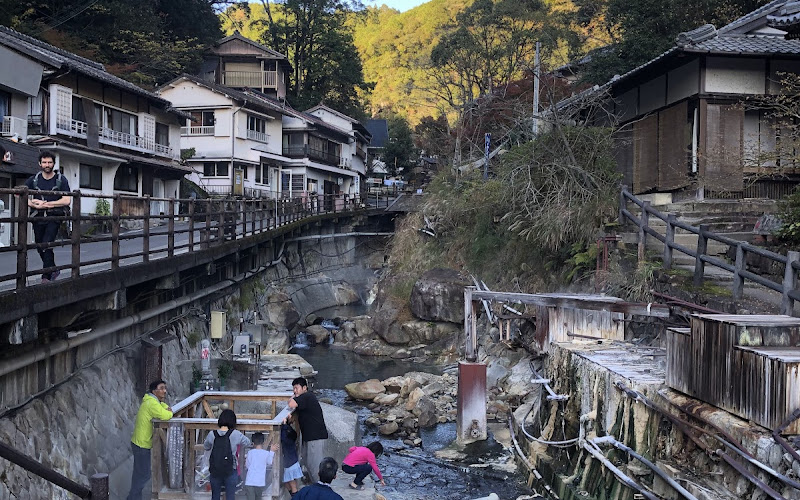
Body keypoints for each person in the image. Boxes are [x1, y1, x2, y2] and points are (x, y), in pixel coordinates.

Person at [25, 151, 71, 283]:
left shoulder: (61, 180)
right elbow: (19, 194)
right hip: (37, 216)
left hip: (54, 217)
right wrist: (32, 203)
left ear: (53, 164)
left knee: (47, 243)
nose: (47, 165)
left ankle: (46, 276)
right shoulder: (34, 179)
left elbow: (67, 200)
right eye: (44, 162)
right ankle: (53, 269)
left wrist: (47, 204)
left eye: (49, 162)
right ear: (40, 163)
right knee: (40, 245)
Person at [127, 380, 173, 500]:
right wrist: (170, 412)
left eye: (165, 388)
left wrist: (166, 408)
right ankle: (133, 498)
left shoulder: (151, 401)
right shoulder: (151, 404)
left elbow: (163, 407)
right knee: (144, 475)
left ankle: (133, 497)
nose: (164, 391)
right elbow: (165, 415)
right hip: (142, 444)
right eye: (162, 388)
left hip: (139, 442)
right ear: (154, 391)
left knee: (139, 474)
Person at [204, 409, 252, 500]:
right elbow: (248, 442)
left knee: (215, 496)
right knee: (230, 496)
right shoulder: (236, 434)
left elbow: (206, 447)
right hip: (231, 469)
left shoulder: (212, 434)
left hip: (215, 470)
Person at [288, 377, 328, 483]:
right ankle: (313, 484)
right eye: (293, 388)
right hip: (309, 436)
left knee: (313, 464)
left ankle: (319, 487)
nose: (294, 391)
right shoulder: (305, 398)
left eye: (296, 388)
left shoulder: (307, 396)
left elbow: (291, 403)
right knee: (306, 460)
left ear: (304, 388)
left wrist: (292, 397)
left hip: (315, 436)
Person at [244, 432, 279, 500]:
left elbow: (247, 465)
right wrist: (271, 451)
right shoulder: (266, 453)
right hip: (260, 481)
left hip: (250, 480)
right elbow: (269, 462)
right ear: (263, 442)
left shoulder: (250, 452)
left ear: (253, 442)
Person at [281, 413, 303, 495]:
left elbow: (283, 437)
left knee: (292, 484)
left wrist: (283, 425)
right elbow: (287, 432)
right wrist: (286, 424)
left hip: (290, 464)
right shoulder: (291, 438)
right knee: (287, 482)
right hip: (292, 462)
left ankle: (295, 496)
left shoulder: (287, 441)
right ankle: (294, 496)